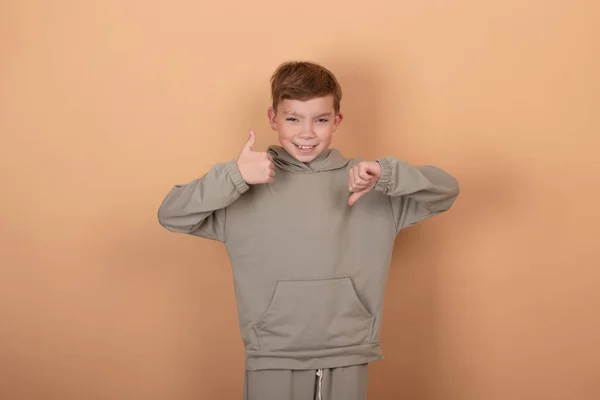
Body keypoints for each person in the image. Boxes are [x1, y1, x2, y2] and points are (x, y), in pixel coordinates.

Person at [157, 61, 460, 400]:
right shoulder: (242, 186)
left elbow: (446, 191)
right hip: (272, 353)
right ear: (273, 119)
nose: (306, 132)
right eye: (292, 118)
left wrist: (386, 174)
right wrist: (234, 176)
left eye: (320, 119)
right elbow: (171, 214)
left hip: (348, 349)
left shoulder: (368, 184)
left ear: (336, 121)